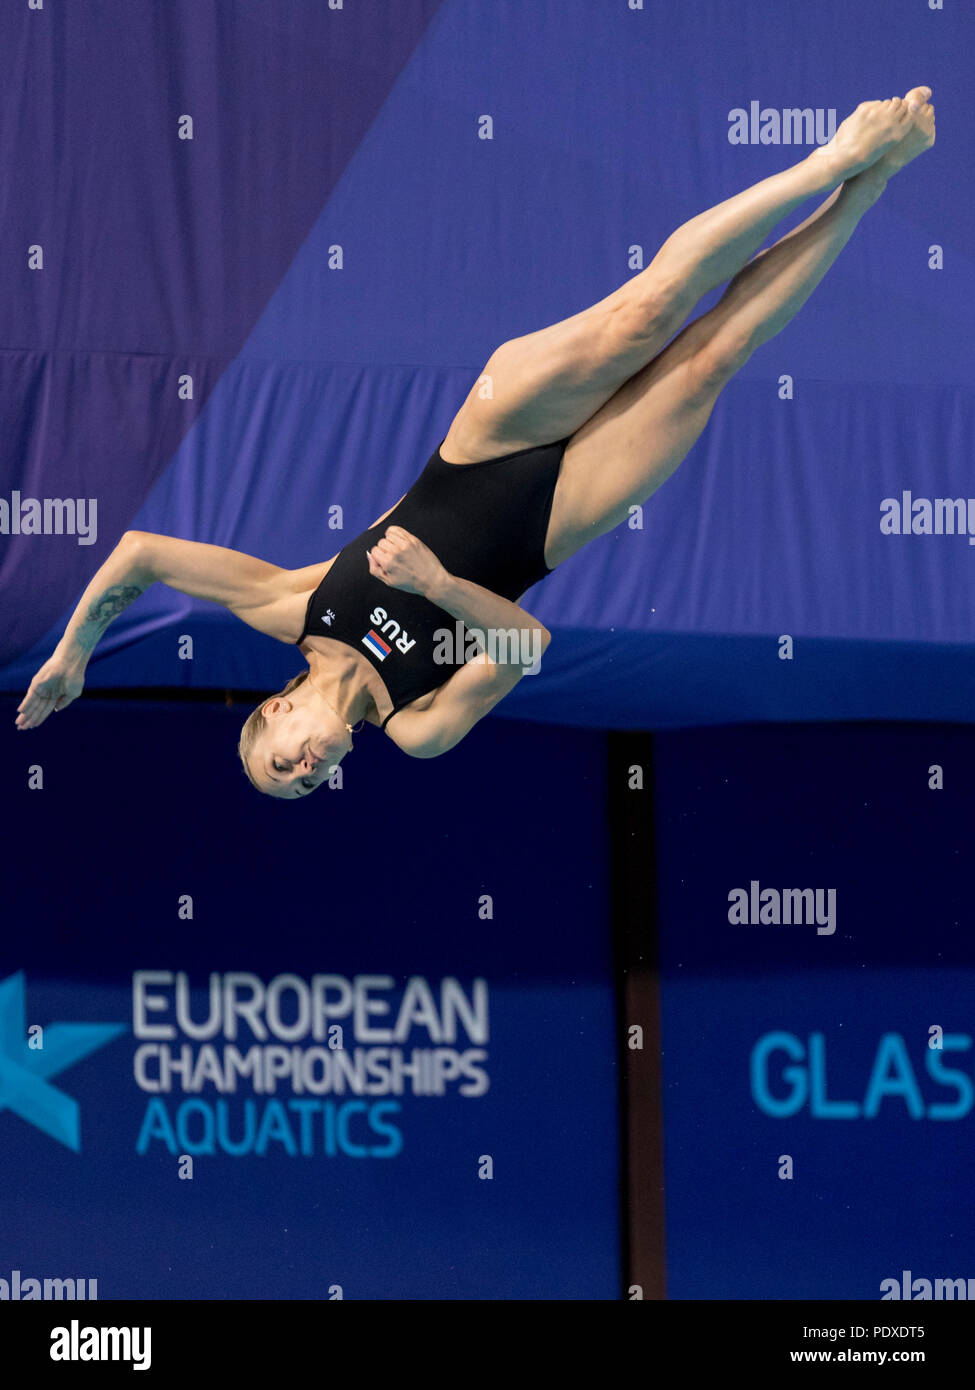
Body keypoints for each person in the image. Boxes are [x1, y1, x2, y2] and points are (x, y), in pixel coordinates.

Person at [16, 91, 935, 798]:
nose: (302, 772)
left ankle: (832, 157)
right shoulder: (421, 728)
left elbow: (139, 553)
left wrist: (74, 652)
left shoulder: (291, 611)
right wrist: (441, 590)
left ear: (275, 708)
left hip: (486, 439)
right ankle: (873, 186)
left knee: (644, 314)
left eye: (279, 761)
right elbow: (530, 646)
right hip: (557, 520)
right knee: (710, 358)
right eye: (302, 785)